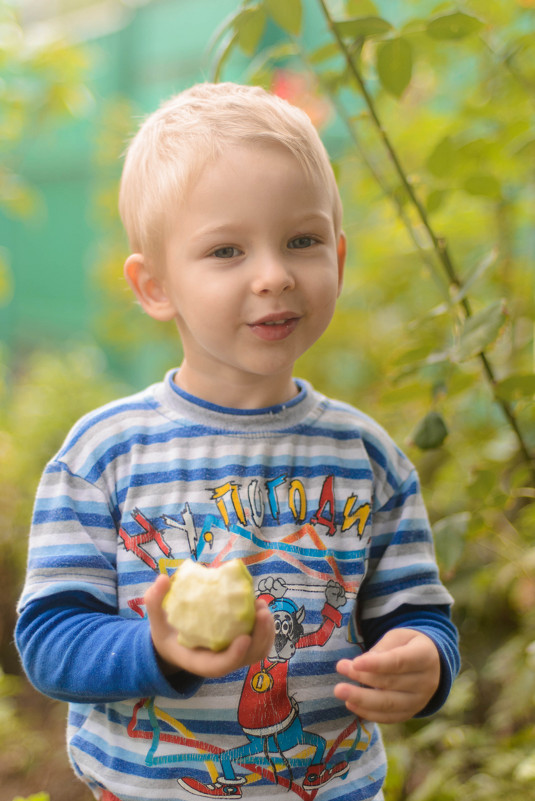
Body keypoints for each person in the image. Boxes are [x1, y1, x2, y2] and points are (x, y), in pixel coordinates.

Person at [15, 82, 460, 801]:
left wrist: (425, 660)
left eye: (302, 241)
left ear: (338, 258)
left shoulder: (367, 458)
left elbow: (414, 613)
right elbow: (50, 640)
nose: (274, 274)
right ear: (155, 285)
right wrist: (157, 649)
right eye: (226, 249)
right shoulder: (104, 457)